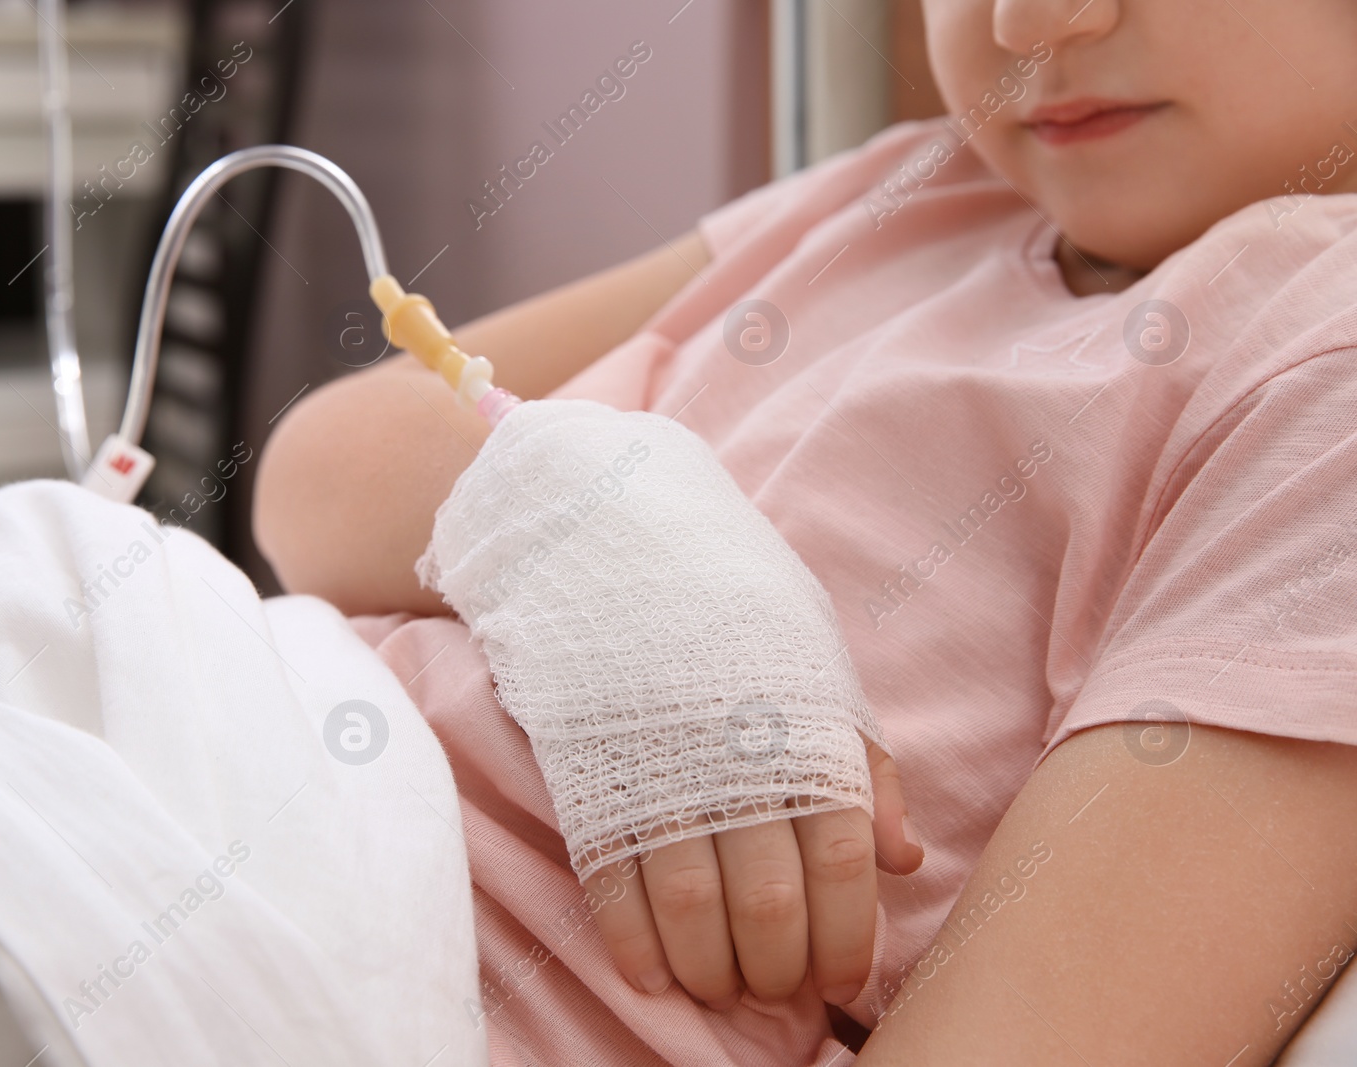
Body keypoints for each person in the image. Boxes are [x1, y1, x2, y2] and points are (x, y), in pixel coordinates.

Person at [255, 1, 1357, 1062]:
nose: (1025, 23)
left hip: (325, 956)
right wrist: (638, 570)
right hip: (230, 732)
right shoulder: (914, 186)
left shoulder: (1321, 358)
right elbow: (312, 476)